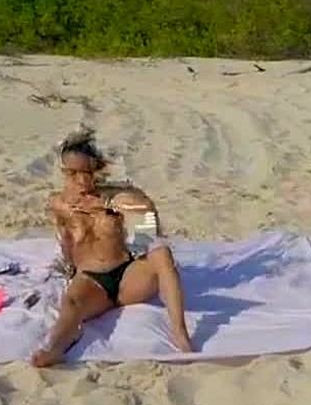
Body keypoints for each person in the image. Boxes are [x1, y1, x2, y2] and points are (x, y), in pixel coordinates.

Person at [30, 128, 193, 367]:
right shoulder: (59, 204)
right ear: (64, 173)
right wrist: (69, 268)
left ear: (96, 170)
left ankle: (180, 332)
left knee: (162, 252)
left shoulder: (119, 196)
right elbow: (65, 241)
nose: (81, 181)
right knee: (71, 303)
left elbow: (148, 233)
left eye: (86, 173)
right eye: (73, 174)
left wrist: (113, 206)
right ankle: (55, 347)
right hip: (92, 279)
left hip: (128, 275)